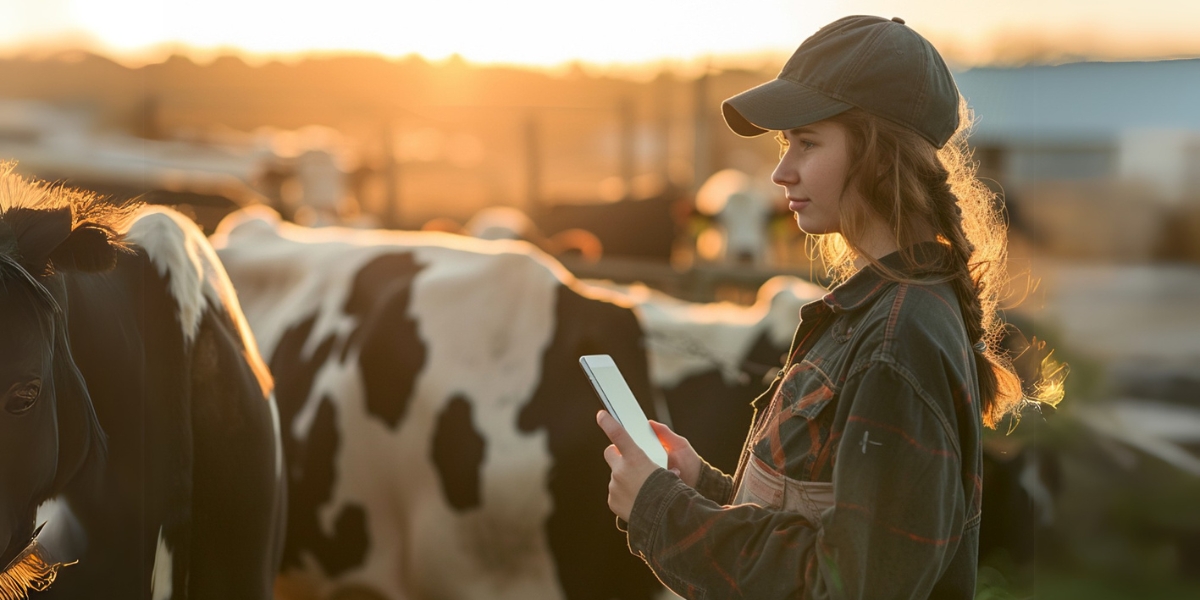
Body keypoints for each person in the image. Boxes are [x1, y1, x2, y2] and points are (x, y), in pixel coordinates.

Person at [596, 15, 1054, 599]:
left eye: (807, 142)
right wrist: (701, 490)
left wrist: (662, 511)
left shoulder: (896, 340)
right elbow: (820, 531)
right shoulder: (879, 312)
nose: (781, 171)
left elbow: (846, 588)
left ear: (879, 153)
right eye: (786, 143)